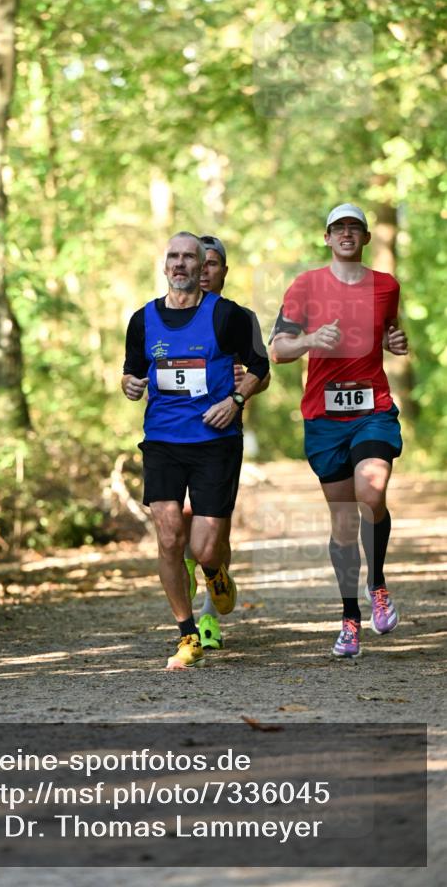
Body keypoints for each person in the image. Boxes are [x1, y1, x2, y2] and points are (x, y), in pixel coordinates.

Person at [122, 231, 270, 669]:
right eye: (174, 256)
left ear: (203, 265)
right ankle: (188, 635)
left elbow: (260, 366)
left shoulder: (227, 315)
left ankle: (215, 572)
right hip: (162, 441)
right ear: (164, 264)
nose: (181, 264)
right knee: (169, 536)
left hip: (214, 442)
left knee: (205, 548)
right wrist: (128, 384)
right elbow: (132, 372)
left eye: (190, 257)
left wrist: (236, 401)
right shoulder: (143, 320)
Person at [269, 204, 409, 659]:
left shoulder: (386, 285)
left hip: (373, 409)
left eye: (354, 228)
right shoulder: (305, 286)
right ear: (327, 238)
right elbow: (278, 350)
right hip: (324, 417)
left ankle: (378, 584)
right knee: (345, 522)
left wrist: (393, 340)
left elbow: (387, 331)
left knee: (372, 491)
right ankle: (350, 618)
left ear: (365, 237)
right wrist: (310, 340)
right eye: (338, 228)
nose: (346, 234)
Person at [184, 235, 271, 650]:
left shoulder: (240, 317)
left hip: (221, 434)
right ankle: (188, 578)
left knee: (213, 529)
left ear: (223, 271)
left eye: (213, 263)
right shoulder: (167, 314)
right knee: (180, 517)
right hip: (174, 434)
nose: (204, 270)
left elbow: (263, 373)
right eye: (198, 261)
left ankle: (208, 615)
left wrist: (244, 386)